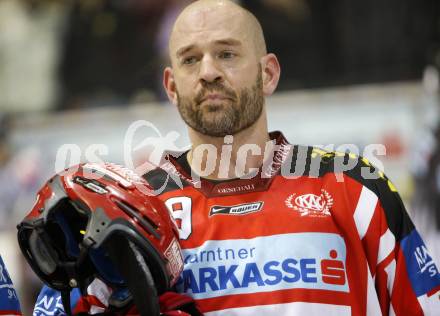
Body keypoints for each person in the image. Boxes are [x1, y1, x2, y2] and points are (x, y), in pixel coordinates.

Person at [32, 0, 440, 315]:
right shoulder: (124, 211)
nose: (208, 71)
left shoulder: (355, 187)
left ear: (269, 74)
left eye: (227, 54)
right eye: (191, 59)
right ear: (172, 87)